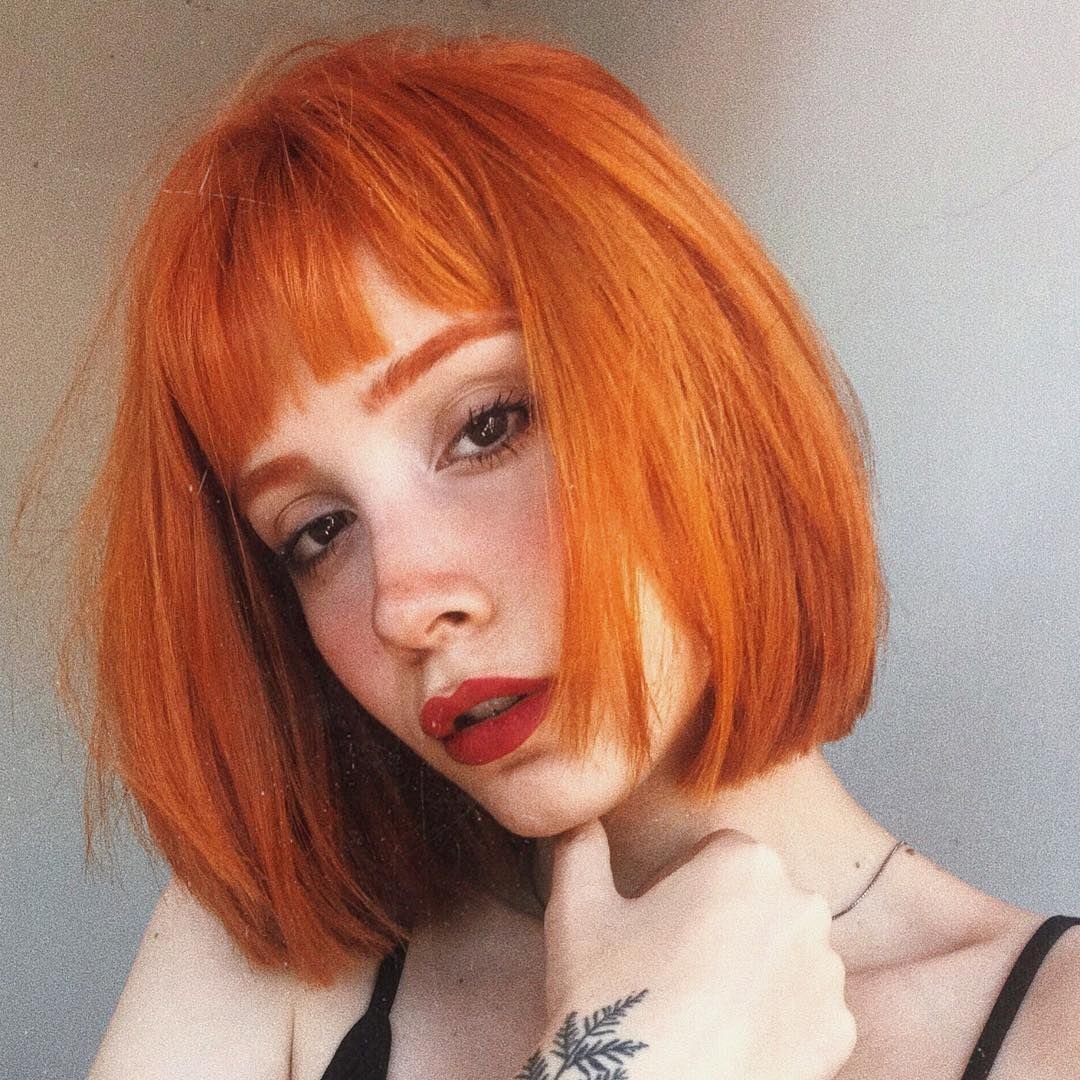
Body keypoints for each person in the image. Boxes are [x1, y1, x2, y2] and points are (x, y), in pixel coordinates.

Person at [64, 28, 1077, 1080]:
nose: (402, 606)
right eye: (318, 530)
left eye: (488, 426)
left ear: (707, 395)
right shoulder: (265, 964)